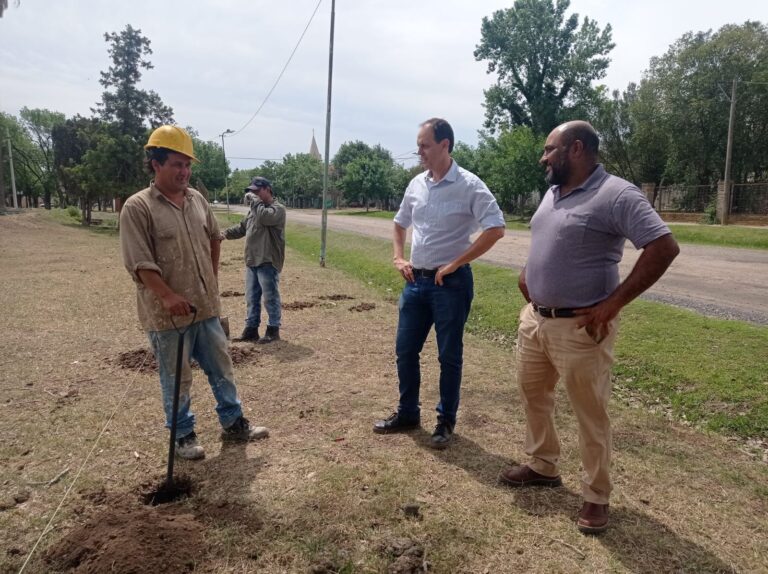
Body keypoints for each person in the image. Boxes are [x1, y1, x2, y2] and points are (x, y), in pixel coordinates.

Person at [500, 120, 680, 534]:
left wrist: (613, 304)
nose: (543, 157)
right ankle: (543, 465)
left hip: (581, 328)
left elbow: (663, 246)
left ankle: (596, 496)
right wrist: (528, 273)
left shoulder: (616, 194)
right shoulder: (552, 192)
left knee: (590, 414)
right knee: (533, 396)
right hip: (536, 321)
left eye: (550, 149)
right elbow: (547, 241)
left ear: (575, 149)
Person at [120, 125, 269, 460]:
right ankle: (183, 435)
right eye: (176, 164)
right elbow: (139, 262)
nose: (184, 171)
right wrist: (168, 296)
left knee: (222, 367)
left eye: (187, 165)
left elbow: (215, 238)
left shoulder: (197, 200)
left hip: (205, 308)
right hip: (167, 316)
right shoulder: (138, 207)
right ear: (156, 164)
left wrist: (211, 277)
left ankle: (234, 423)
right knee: (177, 378)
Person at [373, 118, 505, 449]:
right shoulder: (416, 184)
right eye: (419, 145)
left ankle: (445, 421)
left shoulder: (470, 185)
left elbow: (496, 228)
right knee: (405, 350)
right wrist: (398, 257)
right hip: (415, 282)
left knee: (449, 356)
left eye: (424, 145)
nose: (419, 151)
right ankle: (407, 413)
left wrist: (458, 262)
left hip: (451, 284)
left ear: (444, 145)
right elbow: (399, 223)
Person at [222, 176, 286, 344]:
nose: (253, 195)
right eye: (251, 192)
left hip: (267, 260)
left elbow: (265, 218)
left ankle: (273, 330)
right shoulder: (254, 210)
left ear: (267, 189)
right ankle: (251, 329)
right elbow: (242, 228)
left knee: (270, 297)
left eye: (257, 191)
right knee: (251, 297)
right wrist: (225, 234)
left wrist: (255, 202)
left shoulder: (277, 209)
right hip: (252, 260)